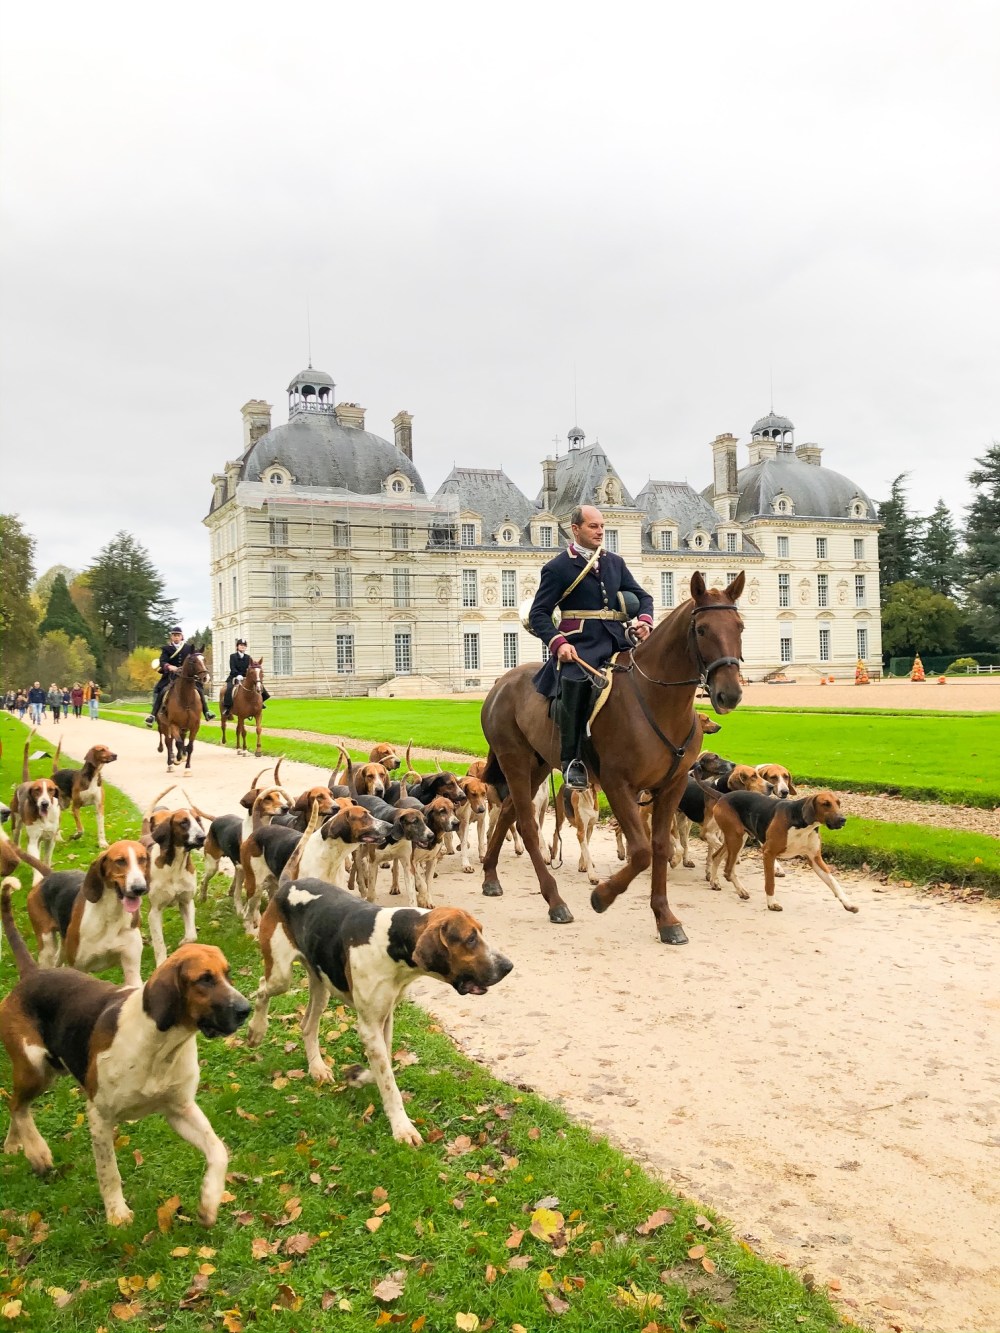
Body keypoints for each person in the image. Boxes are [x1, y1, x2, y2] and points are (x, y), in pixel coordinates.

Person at [529, 504, 653, 789]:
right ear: (576, 529)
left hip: (617, 639)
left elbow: (642, 597)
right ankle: (571, 760)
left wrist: (644, 621)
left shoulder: (614, 562)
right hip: (579, 643)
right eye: (593, 526)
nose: (600, 532)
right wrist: (558, 642)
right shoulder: (558, 567)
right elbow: (539, 614)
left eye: (601, 526)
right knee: (576, 684)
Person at [146, 627, 214, 726]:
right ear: (171, 637)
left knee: (199, 689)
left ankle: (207, 712)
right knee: (161, 690)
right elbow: (162, 661)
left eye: (178, 635)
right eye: (174, 635)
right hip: (171, 676)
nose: (176, 637)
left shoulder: (188, 648)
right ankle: (153, 715)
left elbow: (194, 660)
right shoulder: (166, 649)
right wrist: (169, 667)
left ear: (182, 636)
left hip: (186, 676)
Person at [222, 638, 270, 716]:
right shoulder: (233, 656)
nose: (242, 647)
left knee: (260, 686)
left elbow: (250, 669)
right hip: (234, 677)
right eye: (241, 645)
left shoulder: (248, 657)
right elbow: (232, 667)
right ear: (237, 646)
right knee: (229, 689)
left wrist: (247, 676)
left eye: (244, 645)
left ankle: (261, 703)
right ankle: (227, 708)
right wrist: (238, 675)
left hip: (245, 677)